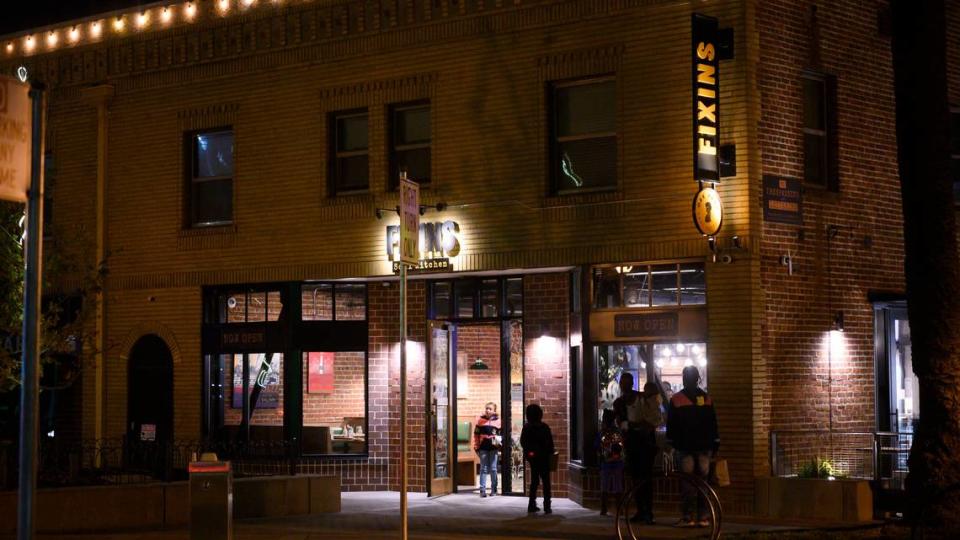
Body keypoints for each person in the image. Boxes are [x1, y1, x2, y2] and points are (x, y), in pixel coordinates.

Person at [666, 365, 720, 528]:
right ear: (697, 379)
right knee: (703, 483)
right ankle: (703, 516)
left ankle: (688, 516)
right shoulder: (706, 398)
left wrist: (672, 443)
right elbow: (713, 423)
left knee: (689, 483)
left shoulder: (676, 399)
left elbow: (671, 425)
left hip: (685, 447)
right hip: (703, 447)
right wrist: (715, 444)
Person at [613, 373, 664, 524]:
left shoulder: (642, 398)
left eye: (627, 383)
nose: (625, 386)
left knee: (645, 479)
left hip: (645, 444)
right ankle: (641, 511)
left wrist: (635, 425)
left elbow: (653, 419)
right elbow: (622, 424)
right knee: (636, 479)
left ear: (631, 383)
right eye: (623, 383)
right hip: (632, 444)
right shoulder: (620, 403)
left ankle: (647, 512)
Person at [520, 403, 555, 514]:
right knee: (546, 481)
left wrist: (529, 453)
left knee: (534, 481)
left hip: (533, 457)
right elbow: (550, 443)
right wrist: (550, 452)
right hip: (544, 457)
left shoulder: (527, 427)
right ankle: (547, 506)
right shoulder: (544, 427)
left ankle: (532, 504)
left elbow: (523, 442)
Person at [596, 409, 624, 516]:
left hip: (606, 463)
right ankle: (619, 509)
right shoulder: (618, 432)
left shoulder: (602, 433)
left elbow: (597, 446)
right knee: (618, 486)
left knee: (604, 486)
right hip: (618, 463)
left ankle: (604, 509)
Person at [473, 401, 502, 497]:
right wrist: (476, 446)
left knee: (493, 469)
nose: (488, 410)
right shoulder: (480, 421)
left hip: (494, 447)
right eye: (487, 408)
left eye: (490, 409)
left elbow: (501, 435)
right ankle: (482, 490)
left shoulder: (498, 421)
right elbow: (476, 435)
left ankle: (494, 489)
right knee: (483, 469)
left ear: (494, 411)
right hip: (483, 447)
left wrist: (499, 444)